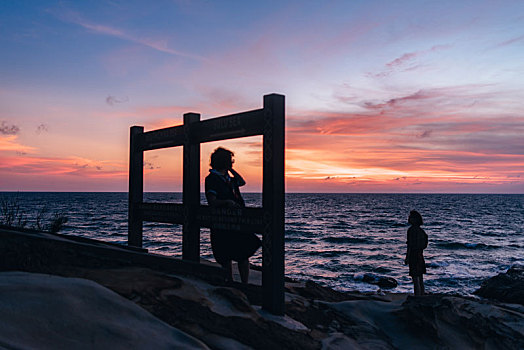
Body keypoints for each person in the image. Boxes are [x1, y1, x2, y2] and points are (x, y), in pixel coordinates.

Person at [205, 147, 261, 283]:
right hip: (223, 221)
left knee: (243, 254)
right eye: (230, 161)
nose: (232, 163)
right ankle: (229, 282)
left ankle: (244, 284)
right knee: (225, 255)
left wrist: (230, 170)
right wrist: (227, 202)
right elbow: (212, 201)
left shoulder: (229, 179)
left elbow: (242, 181)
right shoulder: (212, 179)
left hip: (237, 220)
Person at [404, 210, 428, 295]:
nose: (409, 218)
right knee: (420, 277)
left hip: (414, 255)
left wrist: (407, 257)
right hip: (420, 254)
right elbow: (424, 244)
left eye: (411, 217)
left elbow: (410, 245)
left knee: (415, 278)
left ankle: (417, 296)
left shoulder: (411, 230)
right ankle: (422, 295)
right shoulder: (421, 231)